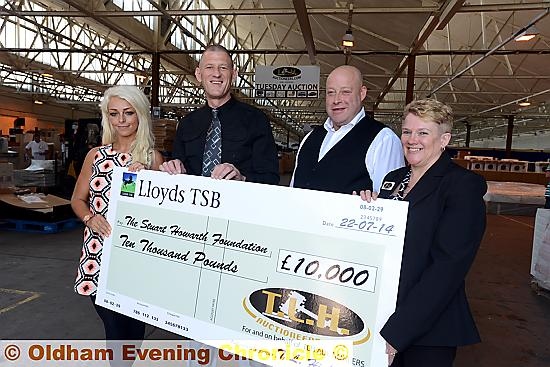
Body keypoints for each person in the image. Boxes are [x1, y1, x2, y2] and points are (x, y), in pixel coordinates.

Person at [359, 99, 487, 367]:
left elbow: (447, 268)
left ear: (444, 139)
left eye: (423, 132)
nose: (412, 140)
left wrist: (398, 332)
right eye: (407, 132)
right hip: (381, 312)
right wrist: (364, 210)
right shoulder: (393, 179)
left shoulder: (462, 186)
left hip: (429, 328)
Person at [71, 86, 163, 340]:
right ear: (107, 117)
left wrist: (151, 178)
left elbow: (165, 213)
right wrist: (90, 218)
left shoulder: (152, 158)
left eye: (128, 113)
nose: (121, 120)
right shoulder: (95, 156)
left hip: (137, 257)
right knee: (114, 329)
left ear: (140, 116)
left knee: (133, 333)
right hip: (98, 254)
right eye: (114, 114)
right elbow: (77, 200)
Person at [160, 45, 279, 184]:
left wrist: (242, 179)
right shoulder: (186, 124)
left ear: (234, 74)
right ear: (199, 74)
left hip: (238, 203)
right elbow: (179, 170)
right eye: (209, 67)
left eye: (223, 67)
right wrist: (174, 168)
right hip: (193, 203)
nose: (216, 73)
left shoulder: (256, 120)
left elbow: (271, 178)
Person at [291, 65, 404, 194]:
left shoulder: (383, 140)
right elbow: (293, 190)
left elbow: (389, 202)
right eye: (331, 92)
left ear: (362, 93)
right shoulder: (309, 138)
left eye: (345, 92)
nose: (337, 100)